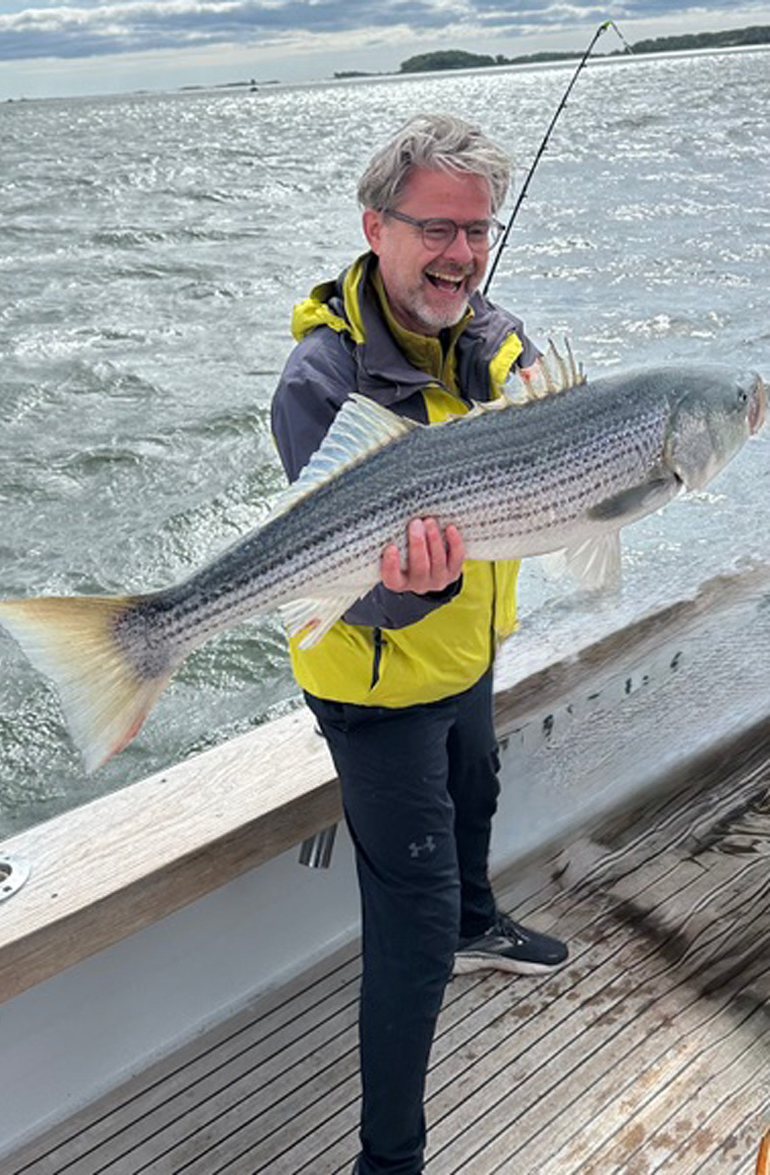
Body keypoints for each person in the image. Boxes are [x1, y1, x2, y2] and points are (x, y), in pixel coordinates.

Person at [270, 113, 568, 1175]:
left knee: (478, 787)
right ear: (375, 227)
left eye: (478, 230)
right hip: (372, 675)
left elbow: (555, 446)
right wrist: (409, 591)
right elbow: (323, 587)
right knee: (413, 907)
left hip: (470, 648)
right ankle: (387, 1158)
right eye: (436, 228)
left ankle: (481, 922)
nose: (460, 254)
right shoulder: (321, 381)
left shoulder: (488, 337)